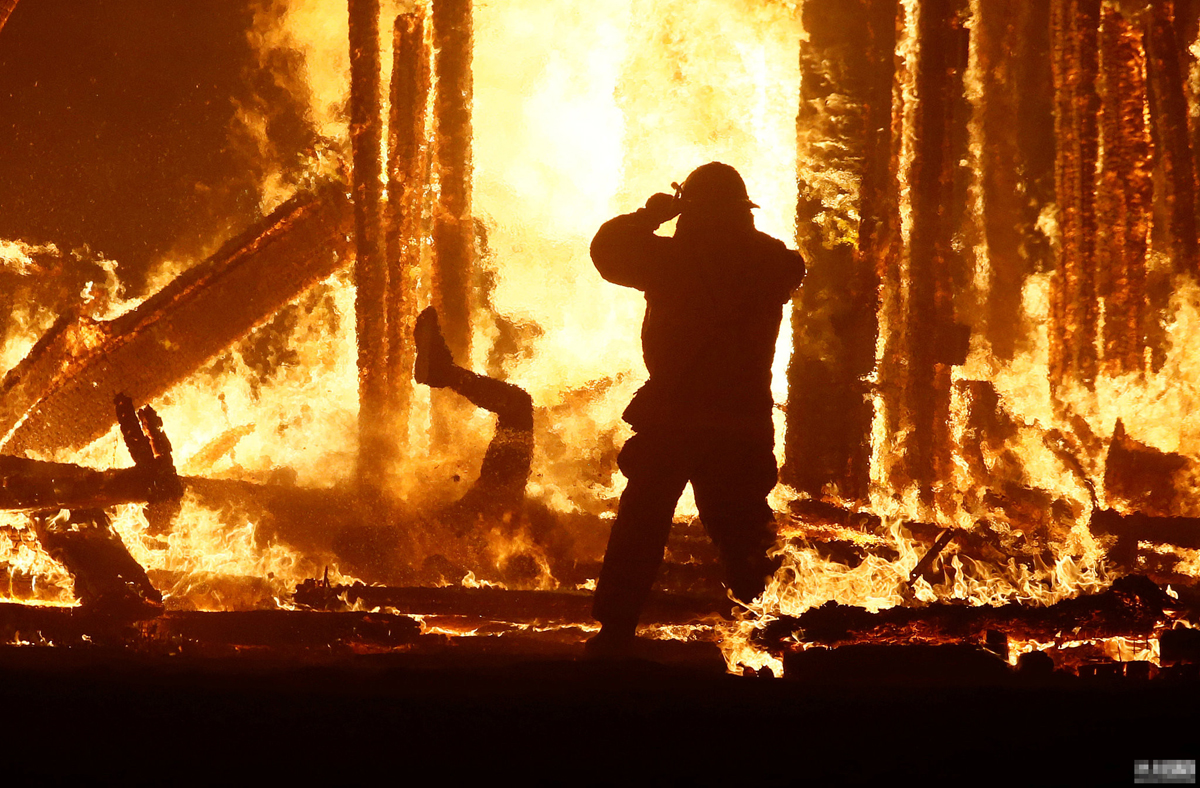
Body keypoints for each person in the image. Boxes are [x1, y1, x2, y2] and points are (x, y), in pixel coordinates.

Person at [587, 162, 806, 655]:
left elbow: (607, 253)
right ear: (741, 211)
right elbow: (791, 265)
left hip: (674, 416)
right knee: (742, 528)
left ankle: (616, 632)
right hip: (740, 418)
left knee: (642, 525)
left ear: (690, 210)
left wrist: (653, 213)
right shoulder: (773, 262)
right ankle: (767, 627)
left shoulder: (669, 260)